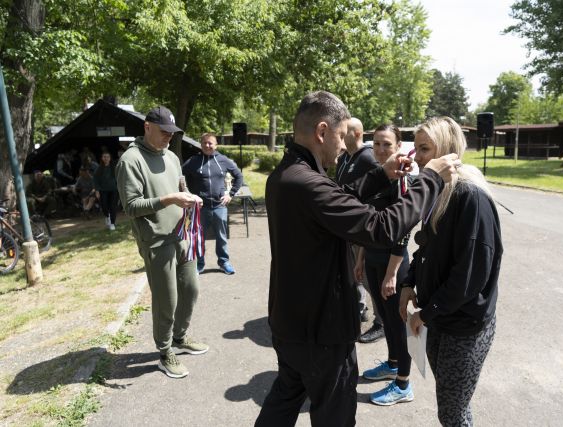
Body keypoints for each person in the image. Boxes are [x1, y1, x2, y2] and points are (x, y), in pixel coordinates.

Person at [255, 91, 459, 427]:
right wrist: (431, 179)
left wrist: (381, 174)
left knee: (284, 398)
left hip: (291, 324)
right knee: (334, 416)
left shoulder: (286, 175)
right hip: (321, 332)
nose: (344, 144)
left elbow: (337, 202)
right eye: (341, 135)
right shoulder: (308, 184)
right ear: (322, 131)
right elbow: (381, 228)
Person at [399, 117, 502, 426]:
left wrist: (426, 313)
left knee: (451, 413)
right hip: (439, 317)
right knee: (453, 403)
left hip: (463, 325)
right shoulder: (439, 190)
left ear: (447, 149)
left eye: (425, 149)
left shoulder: (470, 196)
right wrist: (409, 281)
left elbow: (470, 275)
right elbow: (426, 247)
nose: (417, 158)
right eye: (416, 148)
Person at [116, 106, 209, 379]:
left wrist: (189, 197)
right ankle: (165, 351)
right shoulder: (130, 160)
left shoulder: (171, 156)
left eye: (172, 133)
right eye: (164, 132)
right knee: (166, 300)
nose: (168, 137)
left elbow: (180, 187)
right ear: (147, 127)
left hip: (182, 234)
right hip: (156, 240)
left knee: (190, 290)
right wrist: (169, 200)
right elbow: (131, 206)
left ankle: (180, 337)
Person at [355, 124, 415, 406]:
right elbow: (368, 223)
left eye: (387, 144)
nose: (380, 149)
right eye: (376, 143)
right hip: (373, 259)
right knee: (386, 320)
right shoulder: (376, 176)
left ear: (398, 147)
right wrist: (360, 258)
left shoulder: (401, 181)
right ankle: (392, 364)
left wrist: (391, 274)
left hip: (394, 264)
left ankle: (403, 384)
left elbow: (403, 230)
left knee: (397, 323)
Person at [335, 117, 385, 344]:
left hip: (362, 227)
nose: (339, 134)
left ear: (356, 134)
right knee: (354, 273)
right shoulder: (345, 157)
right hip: (347, 227)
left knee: (368, 277)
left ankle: (381, 323)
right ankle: (360, 306)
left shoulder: (368, 157)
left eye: (344, 131)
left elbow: (379, 191)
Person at [182, 132, 243, 275]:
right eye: (204, 143)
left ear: (216, 145)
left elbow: (239, 176)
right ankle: (199, 264)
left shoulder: (223, 160)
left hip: (219, 206)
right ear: (201, 144)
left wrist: (230, 194)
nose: (207, 145)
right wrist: (187, 193)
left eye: (210, 143)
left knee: (221, 237)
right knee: (199, 237)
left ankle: (224, 262)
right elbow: (180, 175)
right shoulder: (193, 161)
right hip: (200, 208)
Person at [94, 151, 119, 231]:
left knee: (113, 207)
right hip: (103, 190)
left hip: (114, 190)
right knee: (104, 206)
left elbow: (119, 178)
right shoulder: (99, 168)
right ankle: (107, 216)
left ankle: (112, 223)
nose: (106, 158)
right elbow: (95, 180)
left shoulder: (114, 168)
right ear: (102, 158)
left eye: (108, 157)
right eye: (104, 157)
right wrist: (97, 191)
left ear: (110, 158)